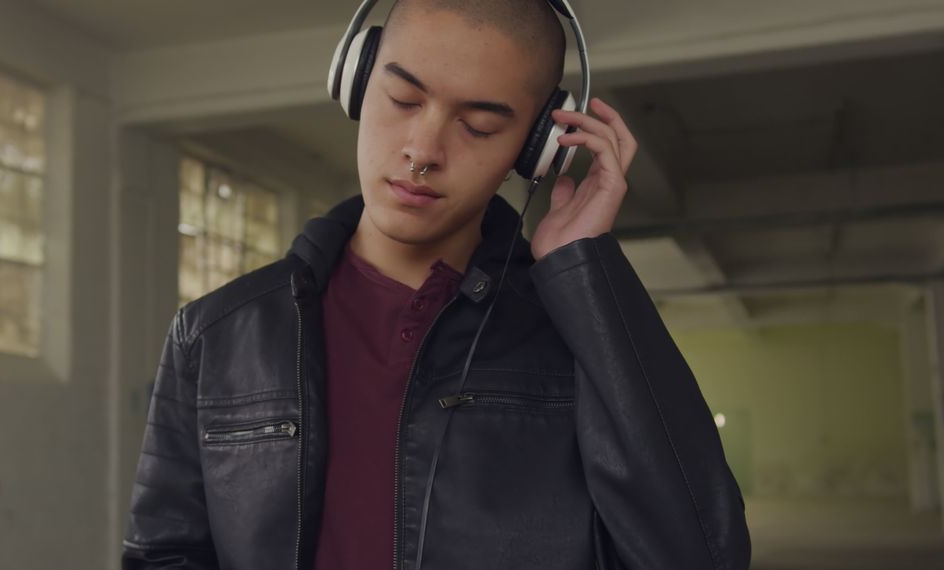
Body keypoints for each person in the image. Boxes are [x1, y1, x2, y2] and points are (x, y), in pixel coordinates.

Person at [122, 0, 752, 569]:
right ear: (357, 81)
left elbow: (699, 553)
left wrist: (583, 269)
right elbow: (164, 557)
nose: (423, 149)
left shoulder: (579, 329)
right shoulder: (212, 334)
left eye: (478, 127)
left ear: (537, 150)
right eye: (402, 100)